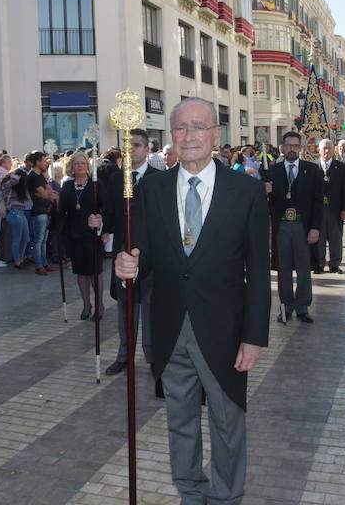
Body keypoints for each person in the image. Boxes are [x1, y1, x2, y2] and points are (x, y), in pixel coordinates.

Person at [114, 98, 270, 503]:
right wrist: (129, 264)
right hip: (168, 327)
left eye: (198, 127)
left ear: (215, 135)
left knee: (227, 420)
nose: (189, 136)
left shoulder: (246, 191)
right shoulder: (152, 187)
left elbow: (257, 269)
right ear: (172, 136)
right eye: (181, 128)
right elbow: (143, 251)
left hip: (224, 331)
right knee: (179, 418)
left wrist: (253, 337)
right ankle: (190, 490)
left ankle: (225, 497)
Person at [97, 129, 159, 374]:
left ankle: (153, 356)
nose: (131, 149)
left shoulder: (159, 178)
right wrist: (100, 223)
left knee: (151, 306)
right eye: (127, 145)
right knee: (126, 307)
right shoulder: (116, 179)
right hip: (123, 253)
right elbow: (110, 215)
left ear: (147, 149)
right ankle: (125, 355)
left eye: (136, 144)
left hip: (151, 255)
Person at [265, 131, 322, 323]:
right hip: (282, 225)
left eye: (295, 146)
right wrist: (263, 191)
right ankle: (286, 306)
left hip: (302, 225)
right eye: (288, 145)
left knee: (304, 267)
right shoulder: (272, 171)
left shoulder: (312, 170)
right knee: (284, 267)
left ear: (300, 148)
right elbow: (264, 203)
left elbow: (317, 202)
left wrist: (315, 228)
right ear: (282, 148)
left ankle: (303, 306)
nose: (291, 149)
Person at [61, 153, 106, 319]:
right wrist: (53, 203)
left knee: (95, 271)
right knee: (81, 272)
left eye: (83, 163)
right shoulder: (67, 186)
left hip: (93, 235)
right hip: (75, 234)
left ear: (88, 166)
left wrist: (104, 226)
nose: (80, 166)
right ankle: (86, 304)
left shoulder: (96, 185)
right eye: (76, 163)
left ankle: (99, 304)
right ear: (72, 166)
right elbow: (62, 211)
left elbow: (106, 208)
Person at [314, 138, 345, 274]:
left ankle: (334, 263)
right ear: (319, 150)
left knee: (335, 237)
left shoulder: (341, 167)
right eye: (324, 148)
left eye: (329, 148)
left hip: (335, 208)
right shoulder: (313, 166)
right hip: (318, 209)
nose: (327, 151)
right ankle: (319, 263)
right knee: (319, 236)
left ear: (333, 149)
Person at [26, 152, 58, 275]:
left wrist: (47, 192)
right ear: (38, 162)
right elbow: (45, 194)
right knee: (38, 240)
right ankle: (39, 265)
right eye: (44, 161)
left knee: (43, 240)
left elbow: (49, 190)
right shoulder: (33, 176)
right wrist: (46, 193)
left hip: (45, 210)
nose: (46, 163)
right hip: (38, 211)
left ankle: (44, 263)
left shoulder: (40, 176)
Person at [0, 168, 31, 268]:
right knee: (17, 239)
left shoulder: (21, 189)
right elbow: (10, 182)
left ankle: (20, 258)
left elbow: (28, 201)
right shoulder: (9, 186)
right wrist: (16, 175)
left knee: (25, 238)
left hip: (21, 213)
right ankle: (17, 261)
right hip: (14, 212)